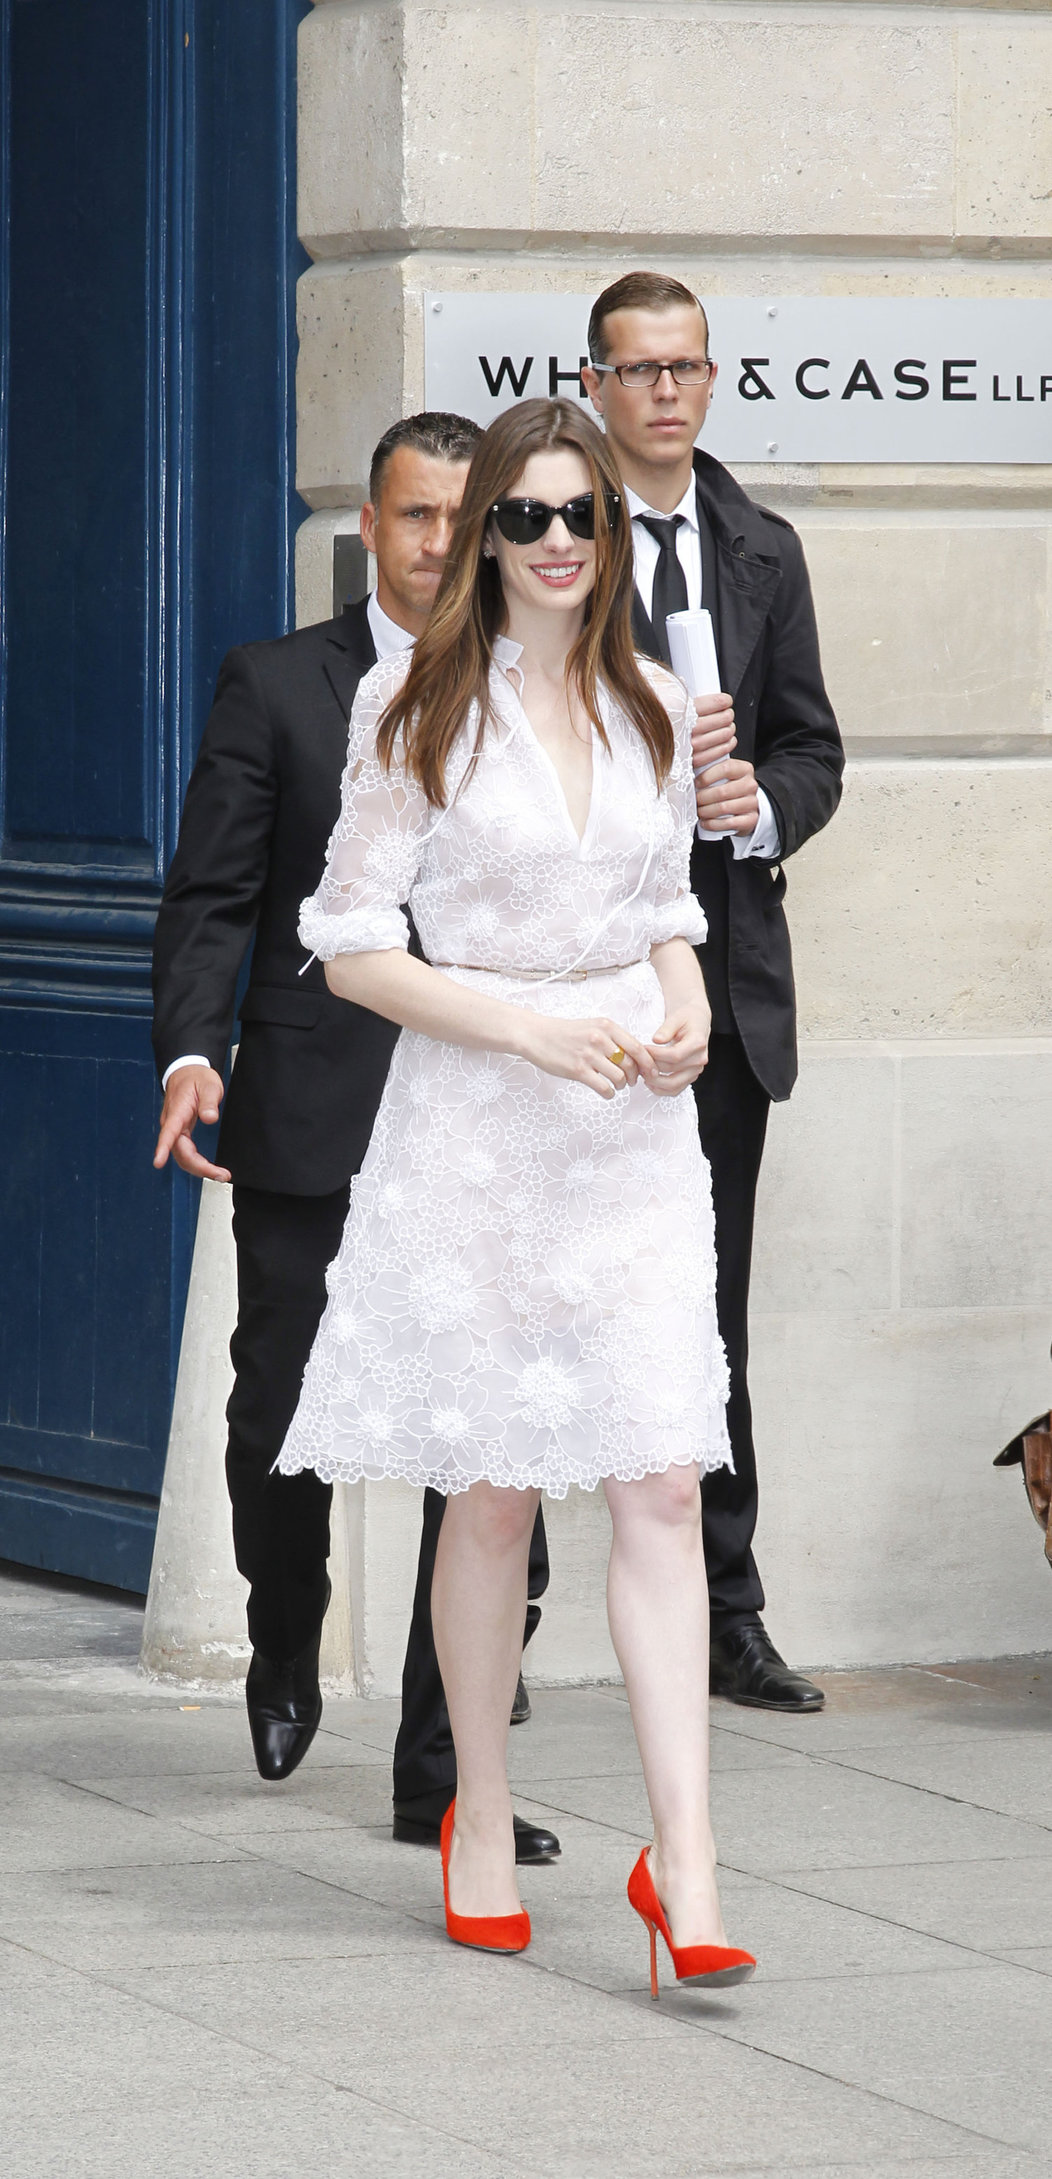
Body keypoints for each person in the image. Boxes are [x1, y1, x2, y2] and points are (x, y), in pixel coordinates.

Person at [275, 396, 755, 1990]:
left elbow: (668, 901)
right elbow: (351, 943)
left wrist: (685, 1004)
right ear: (482, 535)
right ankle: (476, 1810)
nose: (557, 543)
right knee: (490, 1493)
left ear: (615, 535)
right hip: (479, 1120)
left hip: (631, 1135)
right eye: (525, 516)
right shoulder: (413, 702)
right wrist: (526, 1030)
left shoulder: (652, 701)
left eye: (582, 516)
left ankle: (687, 1864)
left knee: (662, 1481)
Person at [150, 410, 559, 1866]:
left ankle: (441, 1780)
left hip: (488, 1118)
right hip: (314, 1113)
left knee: (488, 1451)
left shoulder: (543, 685)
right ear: (369, 526)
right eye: (416, 515)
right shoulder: (276, 683)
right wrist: (192, 1053)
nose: (441, 542)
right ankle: (286, 1624)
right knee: (274, 1421)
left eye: (465, 516)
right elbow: (214, 894)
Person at [583, 272, 844, 1714]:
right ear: (597, 384)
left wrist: (756, 807)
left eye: (687, 366)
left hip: (724, 994)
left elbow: (815, 750)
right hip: (580, 986)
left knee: (709, 1312)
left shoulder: (762, 550)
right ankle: (506, 1604)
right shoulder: (550, 533)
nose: (668, 391)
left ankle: (727, 1615)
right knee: (546, 1294)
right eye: (641, 369)